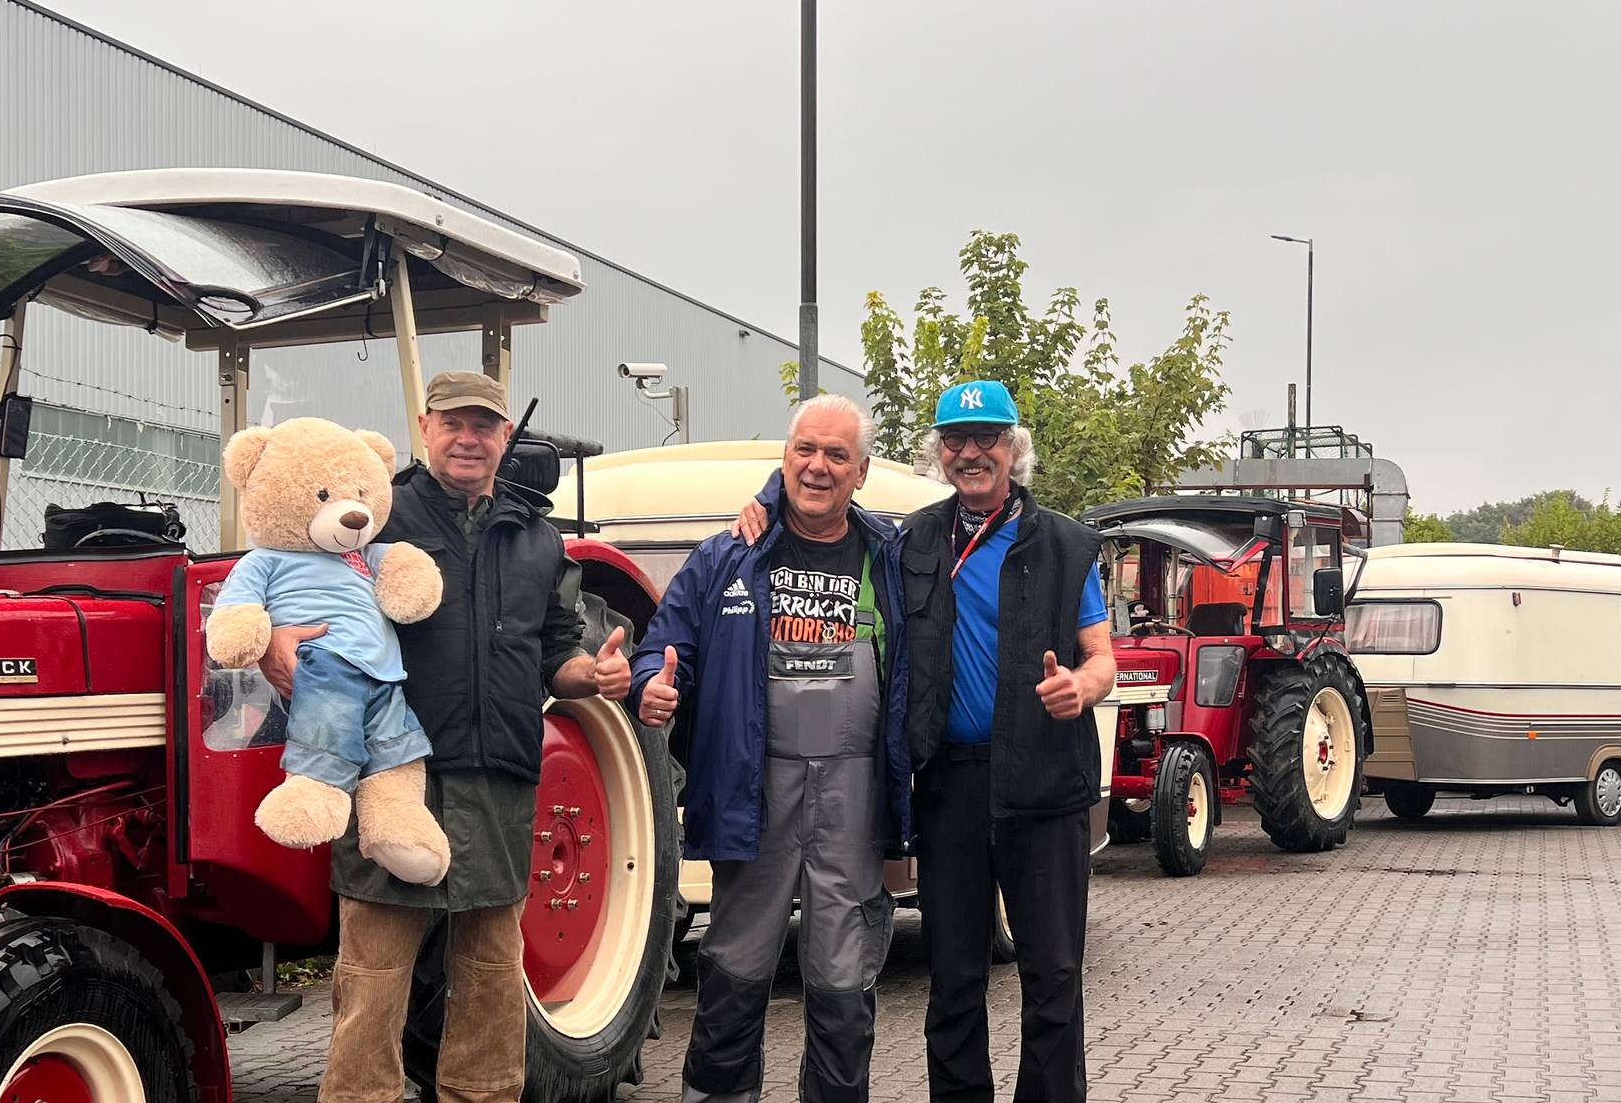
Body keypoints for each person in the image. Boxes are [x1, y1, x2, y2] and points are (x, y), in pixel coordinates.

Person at [265, 370, 631, 1103]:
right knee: (374, 971)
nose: (470, 439)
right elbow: (296, 586)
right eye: (455, 424)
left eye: (485, 426)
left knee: (493, 972)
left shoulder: (536, 539)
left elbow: (555, 651)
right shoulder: (377, 515)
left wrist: (595, 675)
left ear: (505, 437)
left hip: (499, 775)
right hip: (394, 776)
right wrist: (278, 637)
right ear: (425, 427)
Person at [631, 394, 914, 1103]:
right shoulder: (728, 556)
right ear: (784, 459)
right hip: (754, 794)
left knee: (844, 981)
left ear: (862, 472)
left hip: (854, 797)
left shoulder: (894, 561)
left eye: (837, 456)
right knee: (732, 968)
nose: (818, 467)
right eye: (805, 451)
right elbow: (667, 645)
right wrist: (651, 686)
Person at [899, 379, 1115, 1103]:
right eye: (956, 441)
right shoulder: (912, 538)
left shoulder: (1066, 544)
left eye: (987, 438)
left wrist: (1079, 689)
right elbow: (819, 514)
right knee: (954, 979)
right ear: (939, 454)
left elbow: (1103, 658)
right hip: (950, 787)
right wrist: (765, 498)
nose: (971, 453)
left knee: (1052, 975)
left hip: (1046, 783)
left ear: (1013, 448)